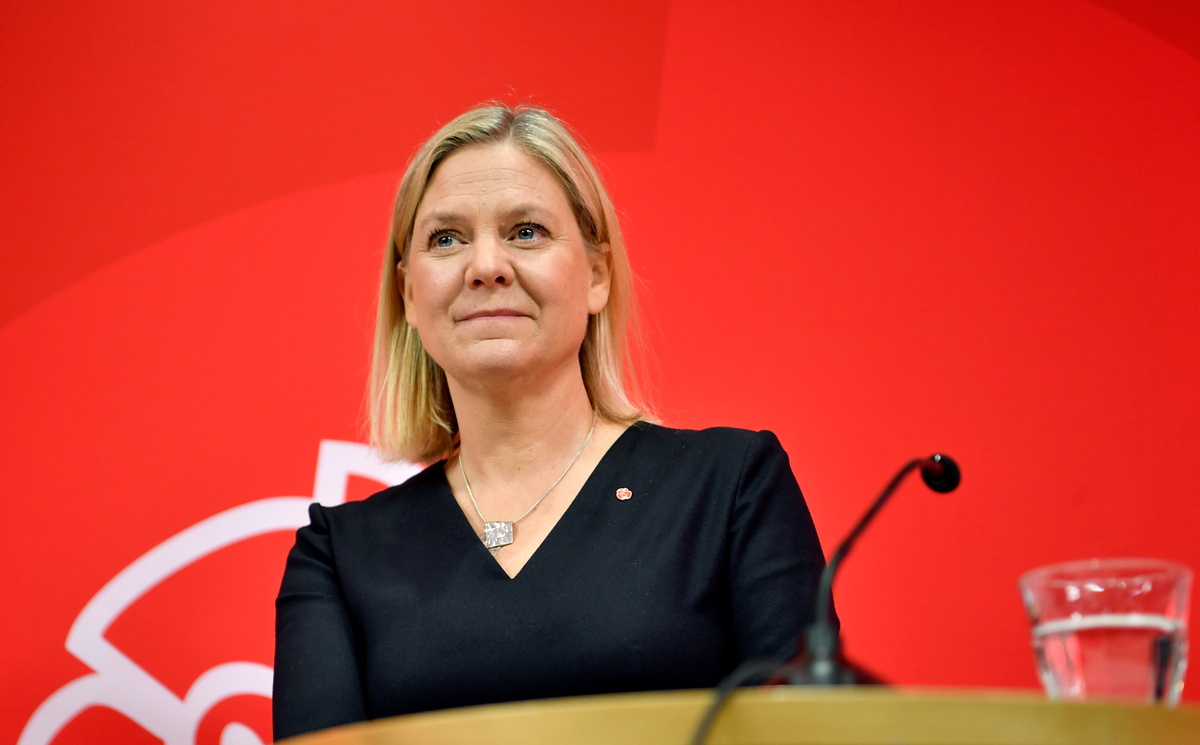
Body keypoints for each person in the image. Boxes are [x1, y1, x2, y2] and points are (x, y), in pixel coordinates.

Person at [272, 103, 828, 740]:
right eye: (446, 239)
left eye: (526, 231)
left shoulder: (731, 488)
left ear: (597, 276)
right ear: (409, 297)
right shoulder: (338, 555)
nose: (485, 266)